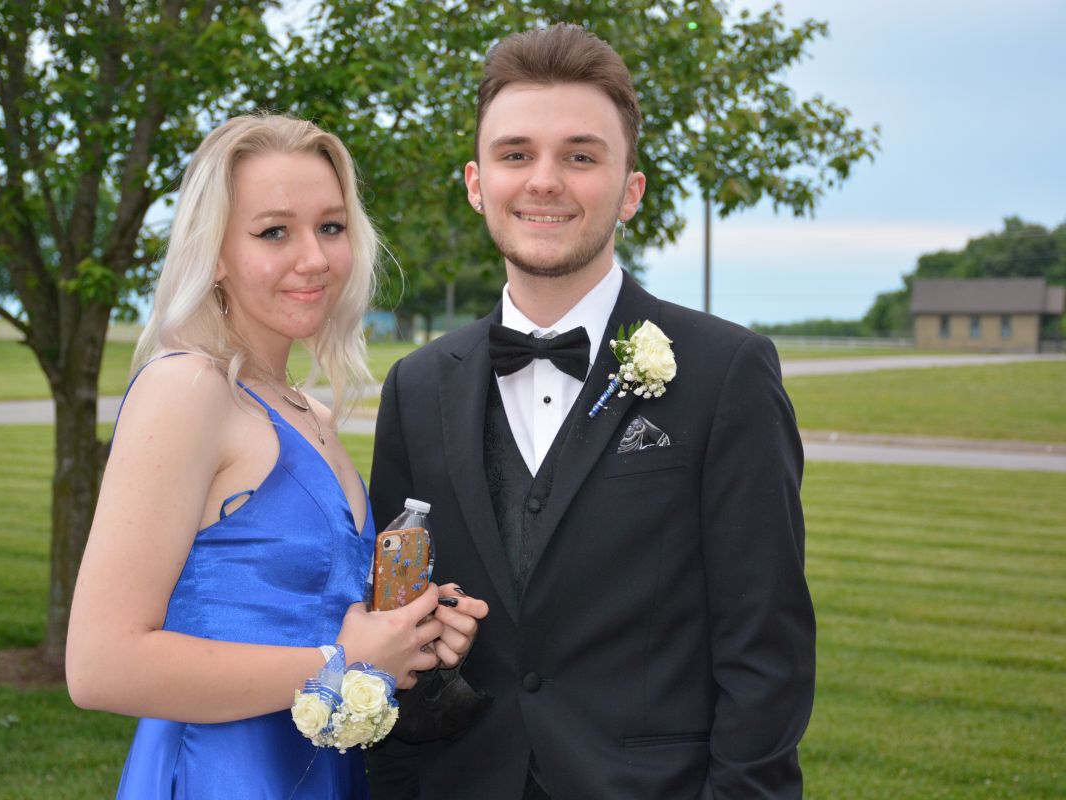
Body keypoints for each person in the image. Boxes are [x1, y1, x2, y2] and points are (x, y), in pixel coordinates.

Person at [368, 24, 816, 799]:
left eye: (580, 156)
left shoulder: (727, 372)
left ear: (630, 191)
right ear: (476, 183)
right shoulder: (415, 387)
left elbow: (766, 648)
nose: (544, 181)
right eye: (516, 155)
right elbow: (392, 630)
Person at [65, 113, 487, 799]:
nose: (314, 258)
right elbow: (99, 666)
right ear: (215, 252)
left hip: (324, 774)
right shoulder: (186, 390)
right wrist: (341, 661)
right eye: (273, 232)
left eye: (331, 226)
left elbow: (312, 613)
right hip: (222, 776)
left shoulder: (309, 414)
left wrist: (408, 637)